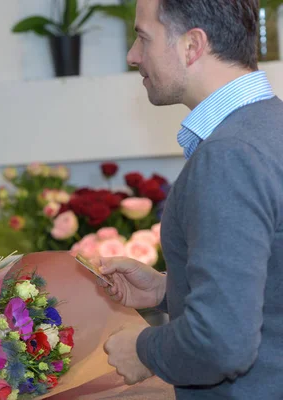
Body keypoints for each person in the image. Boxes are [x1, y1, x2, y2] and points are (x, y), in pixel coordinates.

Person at [96, 0, 283, 399]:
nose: (133, 56)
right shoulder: (269, 127)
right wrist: (171, 289)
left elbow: (222, 342)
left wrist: (144, 350)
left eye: (143, 37)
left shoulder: (231, 153)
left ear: (192, 46)